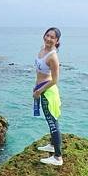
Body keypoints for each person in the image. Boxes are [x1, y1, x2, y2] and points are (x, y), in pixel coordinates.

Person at [33, 27, 63, 166]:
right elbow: (39, 72)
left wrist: (40, 91)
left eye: (52, 37)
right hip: (41, 88)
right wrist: (36, 87)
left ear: (57, 41)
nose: (49, 39)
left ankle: (58, 157)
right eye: (47, 35)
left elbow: (55, 80)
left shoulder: (53, 56)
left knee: (52, 122)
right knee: (49, 120)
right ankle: (52, 145)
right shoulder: (42, 49)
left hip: (48, 92)